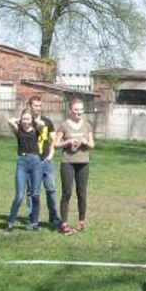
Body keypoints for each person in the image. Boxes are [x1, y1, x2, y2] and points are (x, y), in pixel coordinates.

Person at [52, 97, 94, 234]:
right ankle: (64, 223)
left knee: (81, 193)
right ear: (71, 110)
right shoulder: (64, 125)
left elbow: (92, 145)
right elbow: (56, 144)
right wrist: (68, 142)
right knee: (67, 192)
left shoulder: (87, 125)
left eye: (81, 110)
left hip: (83, 163)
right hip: (68, 162)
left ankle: (81, 221)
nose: (79, 112)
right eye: (76, 110)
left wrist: (85, 142)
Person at [26, 95, 62, 229]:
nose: (38, 108)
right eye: (35, 105)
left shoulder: (48, 122)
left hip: (46, 161)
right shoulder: (26, 122)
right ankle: (32, 219)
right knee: (32, 192)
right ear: (29, 106)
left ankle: (54, 218)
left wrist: (51, 155)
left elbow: (54, 140)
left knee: (51, 190)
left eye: (39, 106)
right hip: (32, 161)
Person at [5, 109, 45, 230]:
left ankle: (34, 223)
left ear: (31, 120)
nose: (26, 121)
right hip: (22, 163)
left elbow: (42, 124)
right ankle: (10, 222)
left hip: (35, 162)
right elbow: (10, 121)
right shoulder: (18, 131)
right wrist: (19, 121)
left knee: (35, 195)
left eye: (28, 119)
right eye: (24, 119)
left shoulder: (36, 130)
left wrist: (34, 121)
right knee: (19, 196)